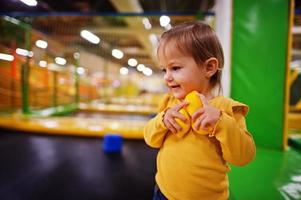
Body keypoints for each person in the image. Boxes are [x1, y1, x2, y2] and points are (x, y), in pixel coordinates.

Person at [143, 21, 256, 200]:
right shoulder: (169, 102)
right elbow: (151, 139)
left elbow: (244, 156)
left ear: (209, 67)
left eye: (175, 68)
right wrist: (162, 120)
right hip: (164, 192)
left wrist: (221, 122)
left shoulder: (226, 108)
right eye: (164, 69)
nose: (167, 77)